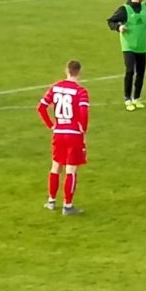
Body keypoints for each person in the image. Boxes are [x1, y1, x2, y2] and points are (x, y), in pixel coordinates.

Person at [38, 60, 90, 216]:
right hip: (73, 134)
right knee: (71, 170)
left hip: (59, 133)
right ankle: (68, 205)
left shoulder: (55, 87)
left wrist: (51, 125)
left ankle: (51, 201)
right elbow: (84, 113)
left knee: (55, 166)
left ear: (66, 70)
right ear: (79, 72)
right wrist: (83, 129)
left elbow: (41, 108)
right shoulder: (81, 92)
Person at [107, 0, 146, 111]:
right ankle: (127, 98)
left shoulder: (145, 7)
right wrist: (119, 27)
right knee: (130, 70)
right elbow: (111, 21)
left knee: (141, 72)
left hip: (141, 45)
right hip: (128, 45)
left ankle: (137, 98)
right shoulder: (125, 9)